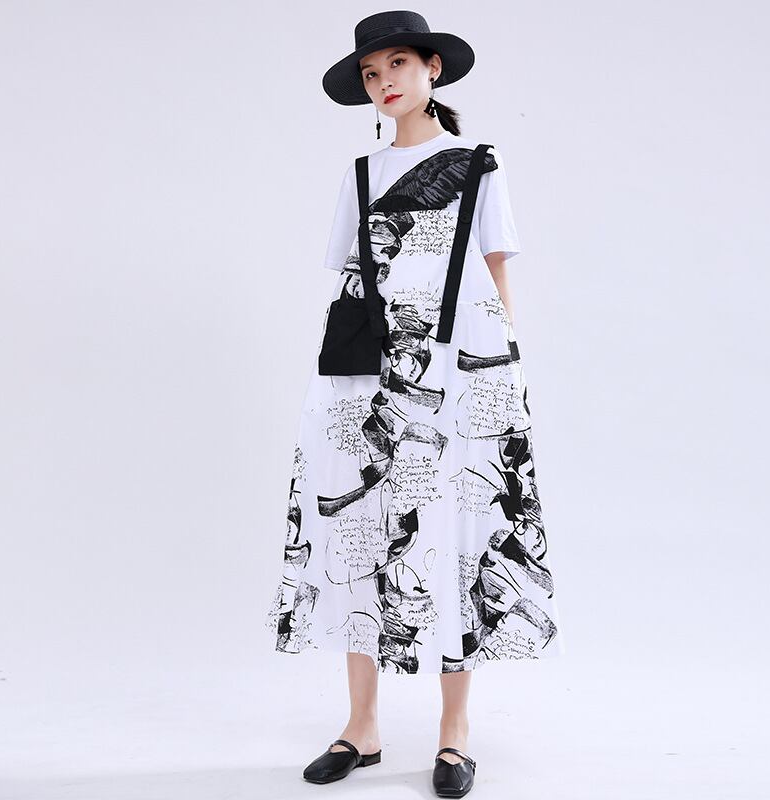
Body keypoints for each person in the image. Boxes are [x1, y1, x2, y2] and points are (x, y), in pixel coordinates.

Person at [265, 10, 565, 797]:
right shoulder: (361, 174)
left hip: (462, 367)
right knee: (359, 528)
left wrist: (507, 375)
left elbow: (495, 270)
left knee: (455, 528)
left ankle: (453, 733)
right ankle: (361, 727)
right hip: (364, 368)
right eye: (371, 73)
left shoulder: (479, 163)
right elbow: (353, 280)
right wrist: (335, 394)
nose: (384, 82)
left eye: (397, 64)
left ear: (432, 68)